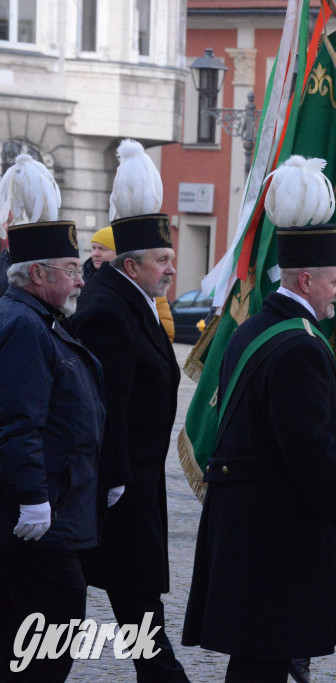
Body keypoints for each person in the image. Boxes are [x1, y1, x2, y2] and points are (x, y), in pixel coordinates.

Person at [183, 157, 336, 682]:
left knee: (257, 660)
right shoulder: (299, 345)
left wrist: (324, 418)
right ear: (306, 278)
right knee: (264, 662)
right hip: (273, 527)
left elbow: (267, 421)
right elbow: (306, 453)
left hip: (249, 519)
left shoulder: (256, 327)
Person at [69, 140, 190, 682]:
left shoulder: (133, 299)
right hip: (121, 488)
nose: (171, 269)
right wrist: (115, 479)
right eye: (163, 260)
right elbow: (105, 406)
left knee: (142, 620)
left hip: (137, 481)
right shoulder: (107, 311)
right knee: (141, 619)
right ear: (132, 262)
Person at [0, 155, 106, 682]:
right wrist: (33, 498)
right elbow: (18, 421)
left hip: (61, 509)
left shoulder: (41, 319)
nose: (80, 280)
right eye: (70, 271)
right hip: (41, 520)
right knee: (46, 644)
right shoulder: (24, 326)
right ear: (37, 274)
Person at [85, 225, 174, 340]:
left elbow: (166, 333)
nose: (95, 254)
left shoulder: (149, 287)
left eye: (102, 249)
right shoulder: (81, 281)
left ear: (119, 254)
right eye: (93, 248)